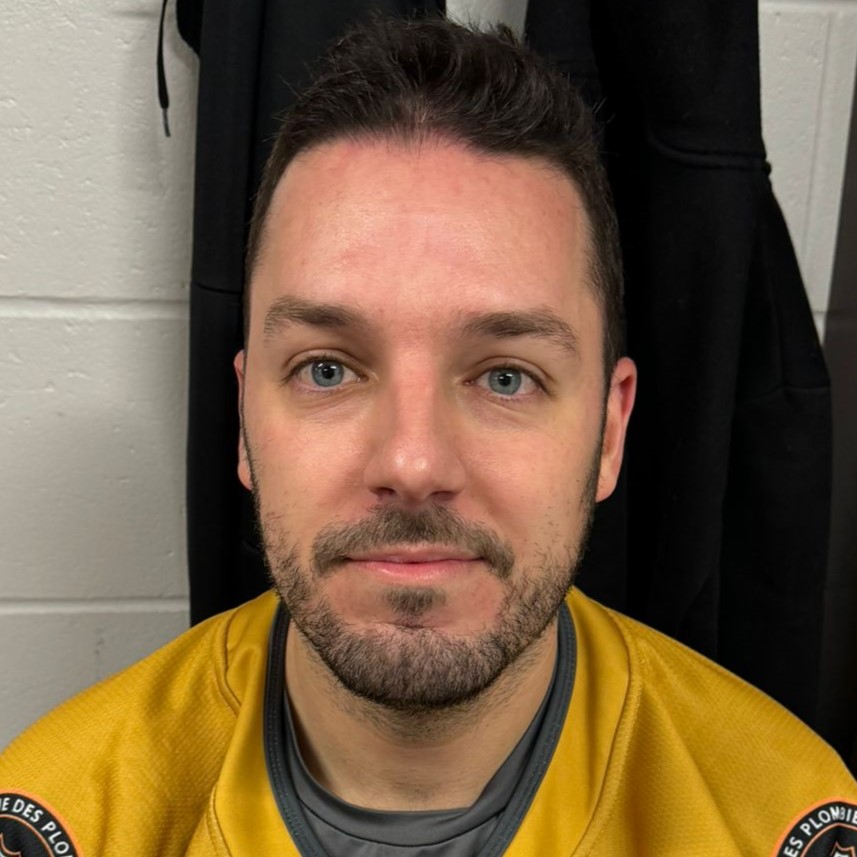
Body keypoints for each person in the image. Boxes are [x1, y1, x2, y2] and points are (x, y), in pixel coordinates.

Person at [1, 16, 855, 857]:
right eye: (327, 369)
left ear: (607, 431)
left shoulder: (776, 817)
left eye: (505, 376)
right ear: (244, 424)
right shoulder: (67, 815)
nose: (412, 464)